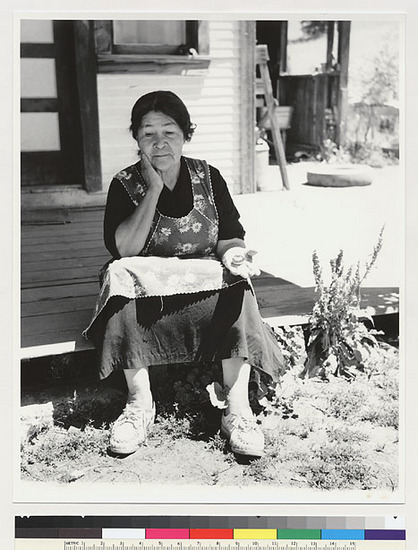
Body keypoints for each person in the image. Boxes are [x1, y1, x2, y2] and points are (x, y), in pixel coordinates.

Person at [84, 90, 285, 458]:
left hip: (198, 284)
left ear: (186, 135)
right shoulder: (124, 183)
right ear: (137, 139)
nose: (159, 143)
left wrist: (236, 256)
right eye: (148, 134)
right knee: (118, 277)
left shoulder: (209, 177)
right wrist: (154, 189)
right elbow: (124, 249)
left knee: (238, 282)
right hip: (147, 294)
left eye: (169, 132)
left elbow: (229, 237)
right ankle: (139, 405)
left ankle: (237, 411)